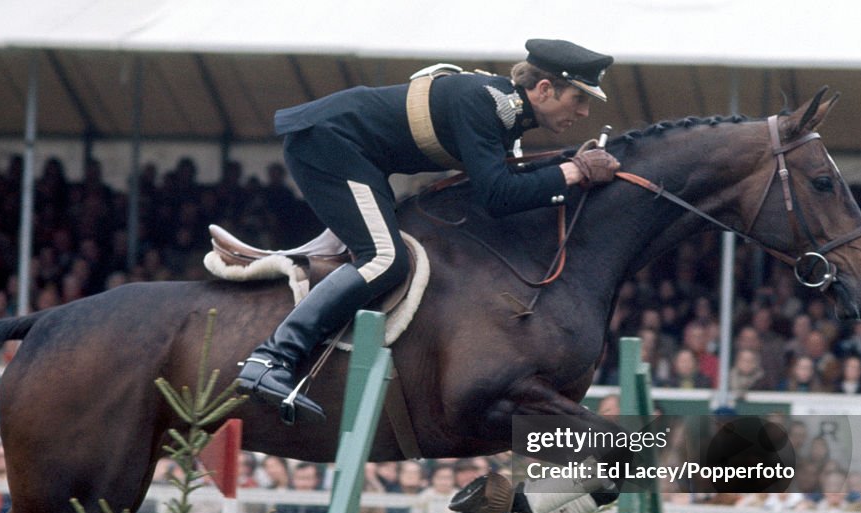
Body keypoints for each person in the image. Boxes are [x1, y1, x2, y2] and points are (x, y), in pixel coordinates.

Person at [237, 39, 621, 422]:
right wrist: (574, 171)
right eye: (578, 99)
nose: (584, 112)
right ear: (544, 89)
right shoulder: (488, 104)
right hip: (329, 144)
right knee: (386, 261)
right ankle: (271, 358)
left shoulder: (505, 111)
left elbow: (508, 183)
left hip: (358, 155)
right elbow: (498, 196)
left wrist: (571, 167)